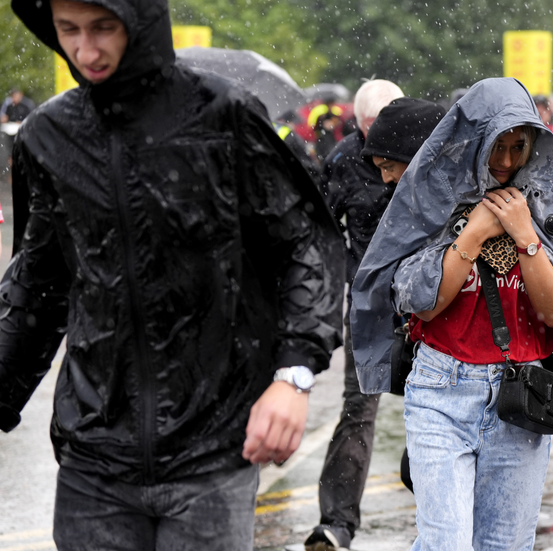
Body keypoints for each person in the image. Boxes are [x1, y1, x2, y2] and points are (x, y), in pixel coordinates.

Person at [1, 0, 345, 548]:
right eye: (68, 31)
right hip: (94, 458)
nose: (85, 50)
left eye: (102, 28)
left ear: (138, 20)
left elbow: (304, 244)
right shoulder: (48, 136)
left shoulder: (223, 114)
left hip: (214, 450)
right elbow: (37, 285)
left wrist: (295, 374)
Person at [349, 77, 553, 550]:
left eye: (518, 147)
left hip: (523, 396)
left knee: (504, 546)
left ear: (535, 144)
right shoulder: (433, 196)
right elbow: (420, 299)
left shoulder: (549, 204)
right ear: (475, 141)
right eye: (496, 147)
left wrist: (526, 235)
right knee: (445, 544)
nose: (507, 161)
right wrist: (472, 235)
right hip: (439, 392)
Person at [303, 79, 405, 551]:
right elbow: (319, 233)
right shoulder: (343, 159)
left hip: (432, 299)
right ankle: (337, 523)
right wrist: (349, 276)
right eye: (370, 132)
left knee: (447, 405)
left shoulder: (428, 150)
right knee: (359, 409)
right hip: (369, 303)